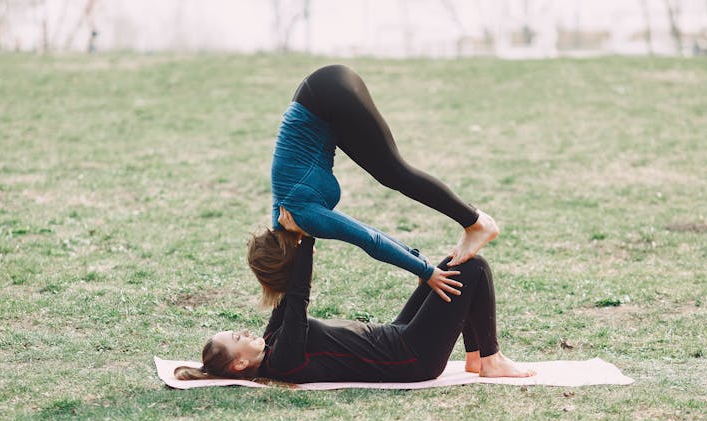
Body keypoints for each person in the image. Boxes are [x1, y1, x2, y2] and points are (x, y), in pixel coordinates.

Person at [248, 64, 499, 307]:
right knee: (390, 175)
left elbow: (370, 239)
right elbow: (366, 233)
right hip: (323, 96)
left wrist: (426, 271)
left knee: (396, 173)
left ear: (292, 257)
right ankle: (473, 221)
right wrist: (419, 262)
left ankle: (476, 222)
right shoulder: (284, 218)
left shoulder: (303, 217)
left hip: (328, 95)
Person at [176, 224, 533, 384]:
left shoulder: (271, 345)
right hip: (410, 357)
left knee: (451, 268)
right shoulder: (283, 361)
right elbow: (298, 300)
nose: (243, 331)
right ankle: (490, 359)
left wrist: (291, 230)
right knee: (473, 269)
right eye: (236, 338)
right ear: (240, 365)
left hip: (396, 336)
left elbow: (285, 296)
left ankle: (475, 357)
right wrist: (310, 236)